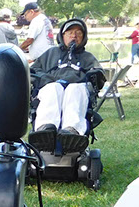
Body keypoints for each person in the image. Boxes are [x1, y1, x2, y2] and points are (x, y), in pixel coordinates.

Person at [28, 18, 105, 154]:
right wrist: (49, 79)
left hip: (77, 88)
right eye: (69, 32)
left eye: (78, 33)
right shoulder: (50, 53)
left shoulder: (88, 57)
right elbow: (34, 70)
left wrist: (86, 77)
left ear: (84, 37)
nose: (74, 36)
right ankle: (45, 129)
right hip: (51, 86)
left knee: (75, 89)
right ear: (62, 36)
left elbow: (98, 75)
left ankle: (72, 130)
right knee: (53, 88)